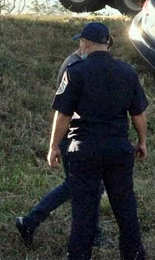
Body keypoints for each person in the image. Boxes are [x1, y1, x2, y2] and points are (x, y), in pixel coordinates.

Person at [49, 22, 148, 260]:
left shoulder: (75, 72)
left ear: (85, 43)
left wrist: (54, 146)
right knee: (125, 209)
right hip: (118, 150)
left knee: (83, 213)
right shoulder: (128, 72)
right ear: (108, 44)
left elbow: (63, 114)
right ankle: (133, 255)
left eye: (81, 42)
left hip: (84, 150)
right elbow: (138, 114)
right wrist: (142, 141)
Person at [15, 40, 108, 247]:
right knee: (77, 185)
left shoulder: (76, 63)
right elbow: (65, 110)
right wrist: (55, 144)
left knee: (86, 186)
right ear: (86, 45)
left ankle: (92, 232)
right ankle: (30, 221)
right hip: (74, 136)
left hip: (79, 135)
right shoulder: (74, 67)